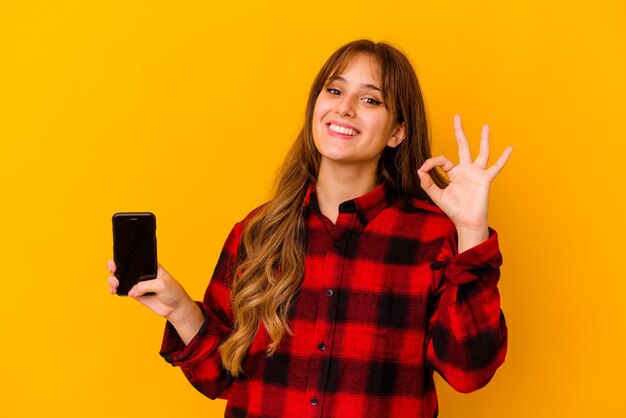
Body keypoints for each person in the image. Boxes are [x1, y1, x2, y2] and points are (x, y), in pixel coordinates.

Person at [107, 39, 512, 418]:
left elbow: (469, 372)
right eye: (334, 91)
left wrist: (471, 230)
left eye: (370, 99)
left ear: (397, 132)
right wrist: (180, 309)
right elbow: (222, 376)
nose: (345, 108)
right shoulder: (257, 233)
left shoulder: (432, 238)